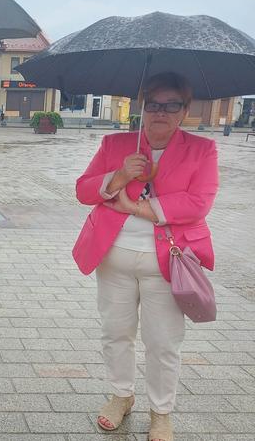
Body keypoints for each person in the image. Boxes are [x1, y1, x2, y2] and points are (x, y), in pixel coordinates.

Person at [73, 72, 219, 441]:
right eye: (153, 103)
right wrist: (120, 175)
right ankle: (122, 395)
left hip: (169, 264)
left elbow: (198, 202)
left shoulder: (201, 150)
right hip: (114, 259)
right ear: (142, 106)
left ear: (184, 110)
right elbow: (83, 190)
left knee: (163, 342)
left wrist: (140, 208)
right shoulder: (116, 143)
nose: (160, 112)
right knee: (115, 333)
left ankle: (161, 412)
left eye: (171, 105)